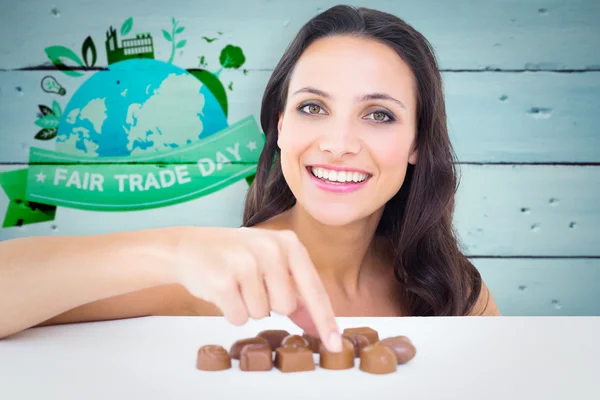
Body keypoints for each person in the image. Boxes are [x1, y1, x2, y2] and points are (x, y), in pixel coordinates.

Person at [0, 5, 500, 348]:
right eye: (312, 107)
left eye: (379, 115)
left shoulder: (453, 291)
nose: (339, 143)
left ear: (416, 143)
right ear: (281, 126)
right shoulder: (215, 281)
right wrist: (175, 250)